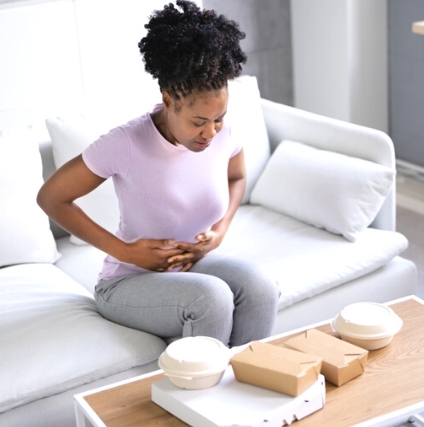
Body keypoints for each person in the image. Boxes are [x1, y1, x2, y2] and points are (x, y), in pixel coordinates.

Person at [37, 0, 279, 347]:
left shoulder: (223, 133)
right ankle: (201, 398)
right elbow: (52, 197)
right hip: (127, 283)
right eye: (198, 122)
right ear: (168, 100)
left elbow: (237, 177)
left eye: (218, 119)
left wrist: (219, 232)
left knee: (260, 288)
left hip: (189, 269)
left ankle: (248, 386)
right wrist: (126, 251)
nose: (210, 133)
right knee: (211, 298)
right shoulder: (126, 143)